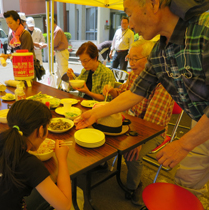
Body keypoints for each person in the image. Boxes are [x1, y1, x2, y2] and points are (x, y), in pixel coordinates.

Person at [76, 0, 209, 200]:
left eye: (129, 14)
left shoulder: (204, 30)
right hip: (201, 123)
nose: (129, 25)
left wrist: (183, 144)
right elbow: (134, 93)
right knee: (187, 185)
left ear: (153, 4)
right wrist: (94, 114)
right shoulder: (159, 51)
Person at [103, 40, 174, 205]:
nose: (130, 62)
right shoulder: (135, 74)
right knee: (103, 132)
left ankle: (134, 186)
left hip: (153, 130)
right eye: (130, 57)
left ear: (150, 59)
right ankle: (101, 166)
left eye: (135, 59)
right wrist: (113, 91)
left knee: (132, 154)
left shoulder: (163, 82)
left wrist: (137, 142)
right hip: (131, 122)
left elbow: (152, 122)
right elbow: (122, 96)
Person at [0, 100, 72, 210]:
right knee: (54, 188)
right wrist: (62, 159)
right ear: (41, 130)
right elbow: (65, 206)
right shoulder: (30, 164)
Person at [46, 18, 69, 87]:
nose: (46, 26)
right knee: (58, 72)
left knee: (63, 72)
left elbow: (54, 44)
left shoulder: (57, 30)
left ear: (51, 23)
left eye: (47, 24)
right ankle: (59, 87)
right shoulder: (56, 30)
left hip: (61, 53)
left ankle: (66, 89)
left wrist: (46, 45)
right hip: (60, 52)